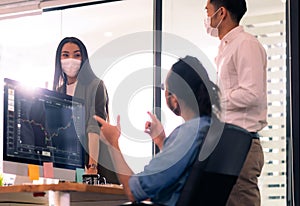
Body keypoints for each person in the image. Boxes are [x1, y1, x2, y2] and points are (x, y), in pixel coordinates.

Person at [94, 55, 221, 206]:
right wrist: (162, 141)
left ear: (174, 98)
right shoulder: (210, 128)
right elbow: (181, 181)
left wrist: (113, 142)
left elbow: (132, 191)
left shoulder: (189, 133)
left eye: (165, 89)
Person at [204, 0, 267, 205]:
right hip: (228, 144)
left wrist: (215, 99)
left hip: (242, 144)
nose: (206, 18)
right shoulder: (225, 49)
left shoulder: (245, 44)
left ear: (221, 13)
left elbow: (252, 93)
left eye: (208, 11)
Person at [52, 37, 119, 184]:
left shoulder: (95, 85)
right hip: (68, 164)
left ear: (84, 58)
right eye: (65, 55)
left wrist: (92, 167)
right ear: (59, 59)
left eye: (77, 55)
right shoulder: (58, 91)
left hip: (94, 164)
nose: (71, 60)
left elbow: (93, 128)